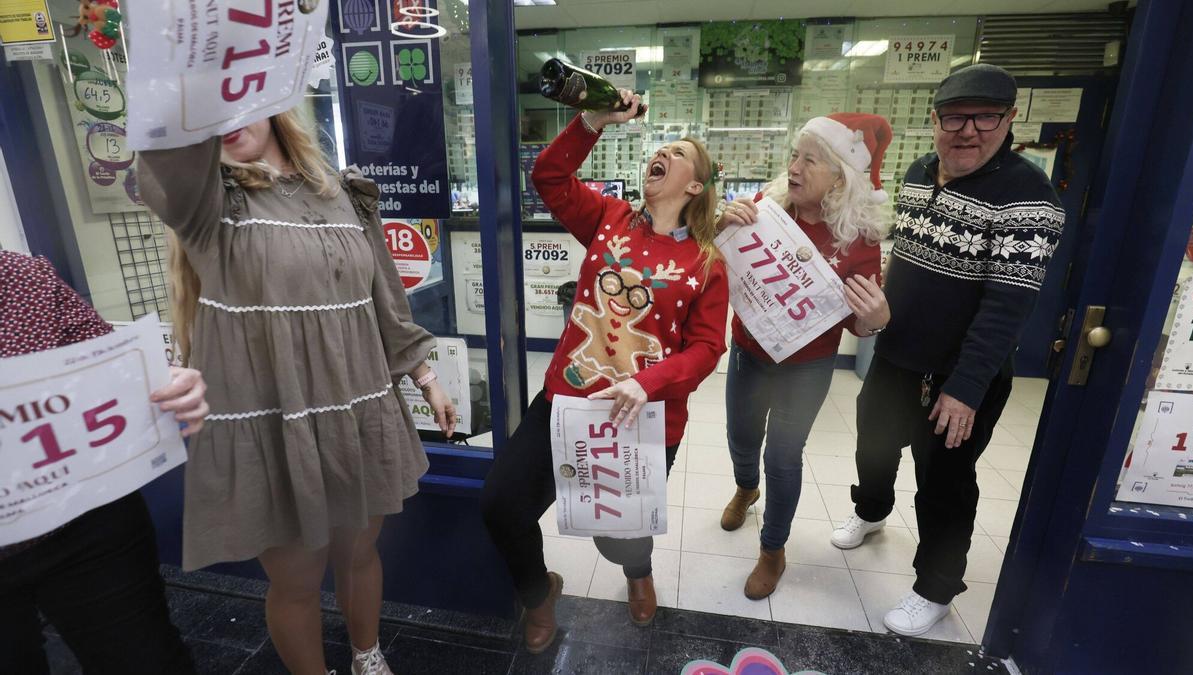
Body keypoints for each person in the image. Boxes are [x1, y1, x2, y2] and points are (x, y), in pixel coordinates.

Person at [135, 108, 457, 675]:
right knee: (298, 579)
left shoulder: (345, 196)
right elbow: (164, 166)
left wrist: (426, 379)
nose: (223, 120)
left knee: (359, 553)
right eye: (205, 115)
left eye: (236, 98)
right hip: (272, 419)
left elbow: (385, 298)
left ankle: (367, 656)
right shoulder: (210, 202)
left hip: (359, 405)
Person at [481, 90, 729, 653]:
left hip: (641, 420)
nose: (659, 153)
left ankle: (635, 571)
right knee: (502, 506)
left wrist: (647, 381)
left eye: (676, 151)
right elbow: (548, 176)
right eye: (658, 148)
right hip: (566, 404)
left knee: (615, 537)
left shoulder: (706, 262)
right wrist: (593, 120)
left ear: (695, 185)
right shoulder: (611, 219)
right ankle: (538, 593)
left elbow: (708, 348)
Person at [831, 64, 1065, 636]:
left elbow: (1006, 309)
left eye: (986, 117)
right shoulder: (917, 172)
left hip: (960, 376)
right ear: (935, 120)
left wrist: (964, 389)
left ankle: (935, 588)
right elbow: (903, 256)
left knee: (945, 484)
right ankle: (871, 512)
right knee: (874, 447)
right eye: (955, 117)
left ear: (1009, 120)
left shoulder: (1029, 196)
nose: (969, 131)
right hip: (895, 356)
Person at [0, 250, 209, 674]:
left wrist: (169, 384)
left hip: (84, 521)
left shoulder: (23, 278)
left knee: (146, 662)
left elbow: (111, 366)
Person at [716, 113, 893, 600]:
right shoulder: (765, 209)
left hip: (808, 366)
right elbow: (714, 261)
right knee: (741, 436)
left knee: (784, 456)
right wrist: (719, 223)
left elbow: (860, 323)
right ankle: (745, 488)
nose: (793, 167)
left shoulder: (860, 241)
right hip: (750, 351)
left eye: (809, 159)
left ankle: (773, 549)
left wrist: (876, 318)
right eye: (794, 155)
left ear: (840, 177)